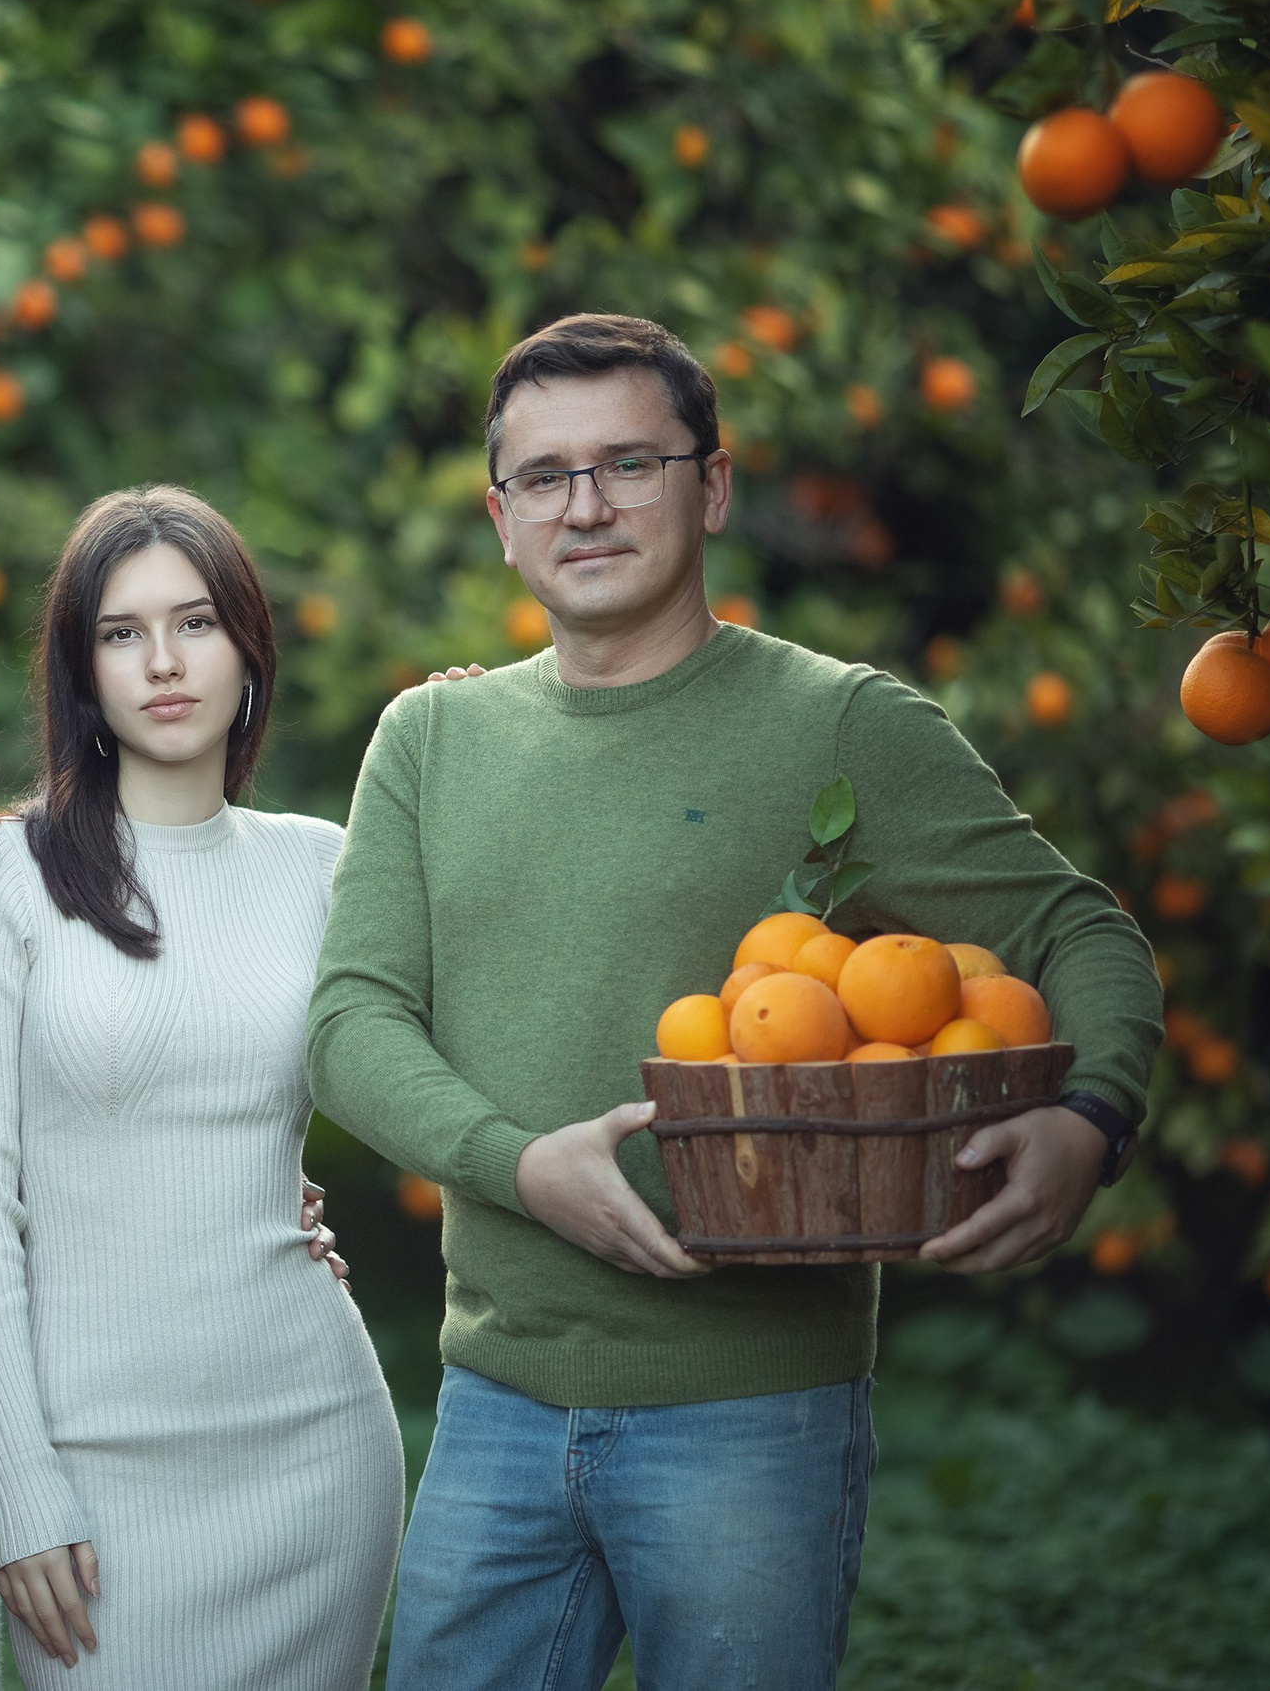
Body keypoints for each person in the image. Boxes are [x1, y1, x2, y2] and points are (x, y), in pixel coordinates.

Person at [307, 313, 1163, 1691]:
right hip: (494, 1402)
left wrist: (1092, 1114)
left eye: (630, 463)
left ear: (711, 485)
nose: (586, 505)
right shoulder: (429, 738)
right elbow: (350, 1026)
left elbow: (1077, 929)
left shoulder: (839, 725)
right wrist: (523, 1169)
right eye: (546, 476)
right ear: (500, 516)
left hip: (754, 1412)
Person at [0, 486, 406, 1689]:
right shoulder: (6, 872)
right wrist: (19, 1481)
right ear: (78, 671)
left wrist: (459, 744)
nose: (161, 662)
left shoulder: (323, 865)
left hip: (313, 1447)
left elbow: (436, 1059)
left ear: (248, 648)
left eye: (194, 623)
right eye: (118, 631)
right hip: (93, 1470)